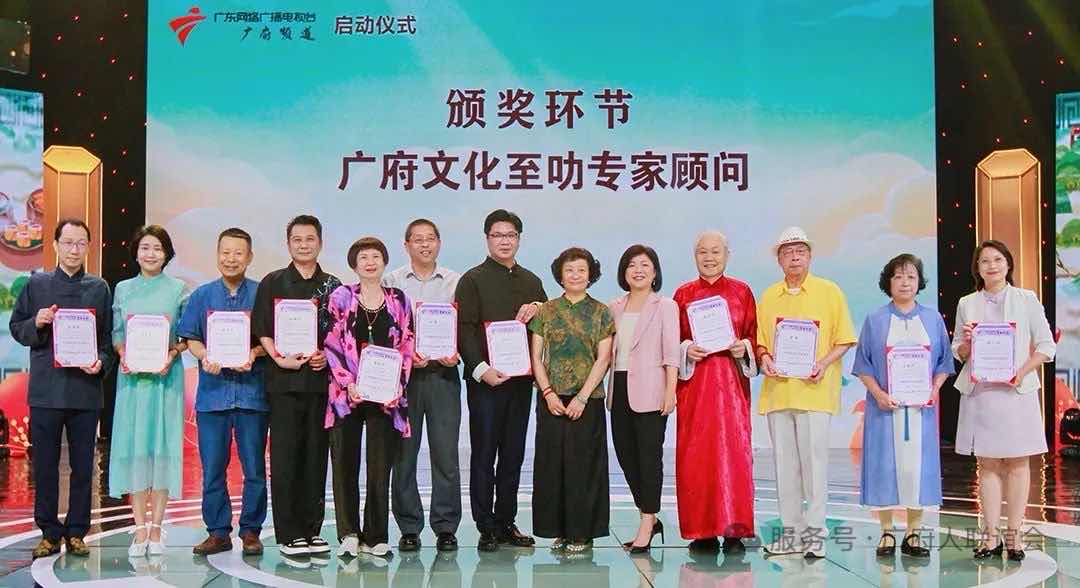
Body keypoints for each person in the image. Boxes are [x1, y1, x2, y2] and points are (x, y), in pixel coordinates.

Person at [10, 219, 113, 559]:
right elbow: (17, 328)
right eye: (67, 242)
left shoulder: (99, 288)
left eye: (80, 243)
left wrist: (100, 362)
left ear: (88, 247)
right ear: (55, 245)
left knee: (84, 466)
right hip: (46, 391)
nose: (73, 249)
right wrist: (36, 322)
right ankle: (49, 533)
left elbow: (107, 341)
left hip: (85, 391)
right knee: (45, 466)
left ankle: (77, 532)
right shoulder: (36, 284)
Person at [756, 226, 856, 558]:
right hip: (779, 393)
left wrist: (823, 363)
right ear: (779, 260)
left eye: (800, 251)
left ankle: (814, 536)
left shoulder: (830, 292)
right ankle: (791, 535)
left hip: (815, 393)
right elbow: (761, 343)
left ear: (810, 256)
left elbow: (844, 339)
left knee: (815, 467)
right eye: (787, 252)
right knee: (784, 469)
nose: (794, 257)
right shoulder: (769, 296)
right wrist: (765, 358)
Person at [953, 240, 1054, 561]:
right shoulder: (967, 303)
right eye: (984, 261)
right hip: (982, 393)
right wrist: (968, 343)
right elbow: (959, 351)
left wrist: (1020, 372)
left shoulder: (1027, 299)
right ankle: (991, 537)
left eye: (997, 259)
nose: (992, 266)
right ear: (977, 268)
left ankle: (1014, 536)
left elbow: (1046, 346)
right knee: (987, 464)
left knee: (1018, 463)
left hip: (1016, 392)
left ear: (1008, 264)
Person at [455, 209, 546, 552]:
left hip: (520, 382)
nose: (504, 241)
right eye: (498, 235)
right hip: (486, 383)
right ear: (487, 239)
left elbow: (547, 324)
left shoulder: (532, 281)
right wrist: (481, 369)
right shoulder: (472, 279)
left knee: (513, 454)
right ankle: (486, 526)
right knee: (484, 454)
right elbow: (464, 329)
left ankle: (506, 521)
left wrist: (540, 306)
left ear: (519, 239)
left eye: (511, 235)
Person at [852, 254, 953, 559]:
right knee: (884, 467)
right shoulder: (875, 320)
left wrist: (934, 389)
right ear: (889, 282)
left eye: (911, 276)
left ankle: (914, 533)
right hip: (884, 409)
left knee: (915, 469)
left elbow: (944, 362)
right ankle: (886, 532)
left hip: (922, 410)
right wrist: (878, 393)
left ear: (919, 282)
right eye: (898, 276)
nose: (905, 282)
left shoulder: (933, 319)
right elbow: (863, 364)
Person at [252, 215, 342, 557]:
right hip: (284, 384)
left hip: (320, 385)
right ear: (288, 244)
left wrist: (326, 356)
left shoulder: (334, 286)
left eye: (310, 239)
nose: (304, 245)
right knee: (286, 458)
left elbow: (341, 334)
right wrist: (278, 357)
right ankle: (289, 533)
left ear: (320, 242)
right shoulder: (273, 282)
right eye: (297, 240)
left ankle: (311, 529)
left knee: (316, 458)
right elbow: (262, 328)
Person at [178, 227, 269, 556]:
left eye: (238, 253)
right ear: (217, 255)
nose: (231, 259)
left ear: (250, 257)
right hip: (213, 396)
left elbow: (270, 340)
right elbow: (190, 337)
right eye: (225, 252)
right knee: (213, 469)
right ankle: (218, 532)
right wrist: (205, 356)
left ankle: (251, 531)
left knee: (254, 468)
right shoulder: (202, 295)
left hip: (252, 394)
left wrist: (254, 353)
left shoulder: (262, 293)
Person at [325, 237, 415, 559]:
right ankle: (348, 533)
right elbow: (332, 343)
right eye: (363, 257)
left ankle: (376, 535)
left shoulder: (399, 299)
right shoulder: (341, 297)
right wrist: (348, 383)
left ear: (384, 262)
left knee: (380, 468)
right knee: (344, 465)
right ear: (354, 264)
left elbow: (407, 345)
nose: (370, 262)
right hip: (346, 396)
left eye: (376, 256)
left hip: (385, 399)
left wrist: (397, 385)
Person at [673, 231, 758, 554]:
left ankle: (735, 531)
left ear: (727, 255)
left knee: (735, 457)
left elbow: (754, 336)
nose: (709, 258)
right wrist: (686, 349)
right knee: (696, 457)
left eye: (715, 251)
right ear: (695, 256)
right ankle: (702, 532)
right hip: (695, 388)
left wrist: (744, 347)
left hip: (733, 388)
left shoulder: (742, 292)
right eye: (702, 252)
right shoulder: (683, 294)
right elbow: (671, 340)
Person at [109, 224, 189, 557]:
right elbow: (117, 332)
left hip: (165, 380)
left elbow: (186, 336)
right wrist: (122, 353)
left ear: (167, 253)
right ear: (136, 252)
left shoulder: (178, 289)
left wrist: (172, 354)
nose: (151, 254)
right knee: (136, 448)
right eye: (145, 247)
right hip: (132, 381)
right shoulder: (123, 289)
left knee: (162, 448)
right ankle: (139, 527)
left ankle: (157, 527)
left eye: (157, 248)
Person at [384, 219, 463, 553]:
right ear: (407, 245)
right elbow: (385, 329)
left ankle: (446, 527)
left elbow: (465, 328)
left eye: (430, 239)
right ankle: (409, 527)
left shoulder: (456, 282)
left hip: (444, 376)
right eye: (418, 240)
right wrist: (405, 357)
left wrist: (457, 353)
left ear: (439, 243)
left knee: (446, 455)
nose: (425, 245)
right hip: (404, 380)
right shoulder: (391, 281)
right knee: (403, 455)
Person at [529, 247, 614, 553]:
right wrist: (548, 393)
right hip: (551, 400)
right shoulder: (546, 311)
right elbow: (536, 356)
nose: (575, 275)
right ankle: (560, 530)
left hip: (588, 400)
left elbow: (604, 358)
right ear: (560, 275)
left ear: (591, 275)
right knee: (552, 466)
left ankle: (582, 533)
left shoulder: (602, 312)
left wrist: (582, 397)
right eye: (569, 270)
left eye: (581, 270)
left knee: (584, 467)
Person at [607, 245, 678, 553]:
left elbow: (671, 352)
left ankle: (647, 522)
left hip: (651, 389)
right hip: (619, 388)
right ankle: (649, 515)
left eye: (645, 264)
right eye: (632, 264)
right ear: (624, 272)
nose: (638, 270)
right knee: (626, 456)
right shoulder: (615, 306)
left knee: (649, 458)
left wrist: (670, 391)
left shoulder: (665, 306)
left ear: (655, 272)